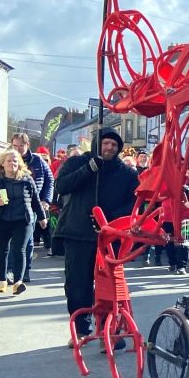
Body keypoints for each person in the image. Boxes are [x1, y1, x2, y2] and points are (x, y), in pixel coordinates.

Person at [55, 129, 139, 343]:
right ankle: (81, 329)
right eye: (105, 143)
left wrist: (110, 219)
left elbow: (134, 205)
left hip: (110, 237)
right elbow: (62, 186)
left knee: (111, 288)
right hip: (77, 234)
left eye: (114, 145)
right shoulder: (77, 163)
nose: (110, 148)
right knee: (77, 285)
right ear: (96, 145)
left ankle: (109, 331)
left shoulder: (127, 174)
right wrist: (89, 169)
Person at [0, 149, 48, 294]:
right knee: (2, 251)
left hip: (22, 221)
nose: (12, 163)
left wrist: (42, 217)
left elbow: (36, 201)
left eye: (15, 160)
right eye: (9, 160)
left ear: (19, 163)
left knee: (20, 250)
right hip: (1, 221)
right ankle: (2, 280)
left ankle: (18, 283)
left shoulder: (27, 179)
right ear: (2, 164)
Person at [9, 133, 54, 283]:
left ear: (27, 145)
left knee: (27, 241)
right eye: (15, 145)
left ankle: (24, 271)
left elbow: (50, 180)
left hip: (31, 206)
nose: (18, 148)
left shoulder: (38, 161)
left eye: (21, 145)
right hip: (10, 207)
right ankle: (10, 271)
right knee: (11, 240)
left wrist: (46, 200)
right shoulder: (7, 159)